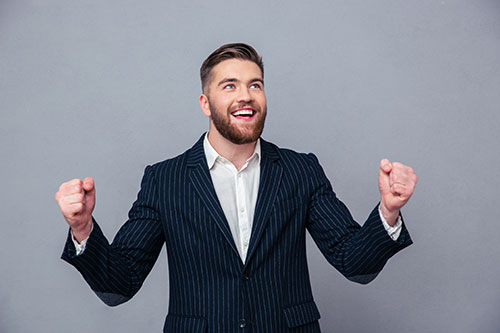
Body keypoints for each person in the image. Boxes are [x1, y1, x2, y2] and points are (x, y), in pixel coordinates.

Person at [55, 43, 418, 332]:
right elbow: (121, 283)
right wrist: (83, 229)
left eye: (255, 85)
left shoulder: (300, 170)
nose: (246, 96)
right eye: (230, 86)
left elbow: (354, 261)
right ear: (205, 104)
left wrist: (388, 211)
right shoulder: (164, 180)